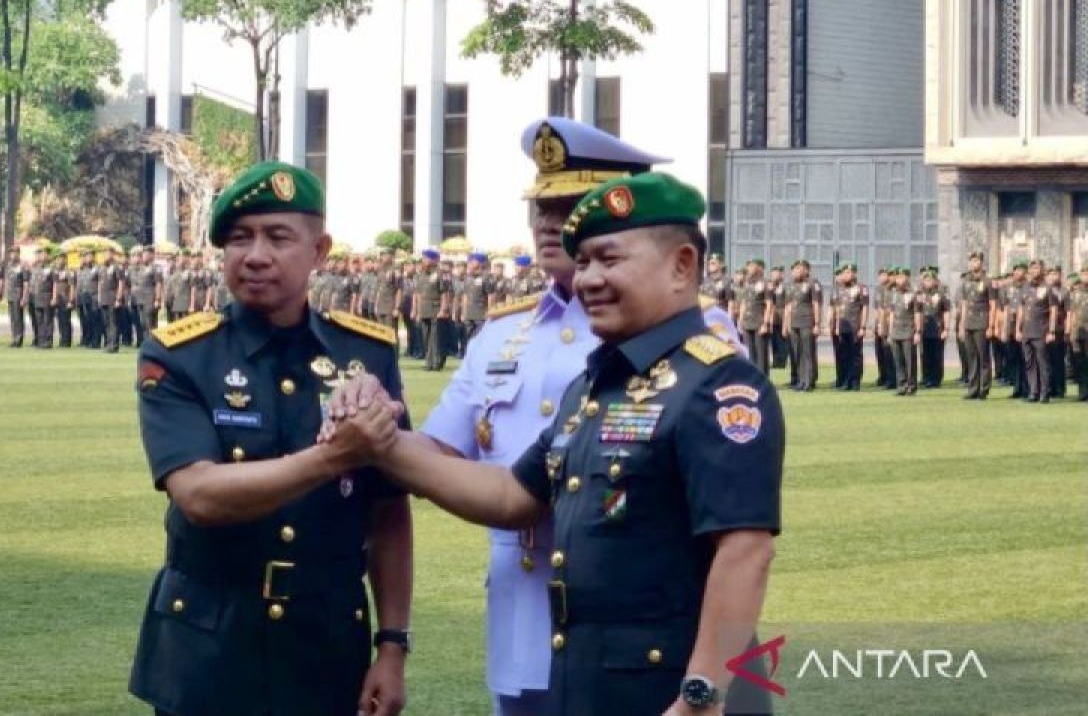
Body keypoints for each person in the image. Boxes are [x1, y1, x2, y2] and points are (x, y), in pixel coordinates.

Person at [324, 171, 782, 716]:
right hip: (588, 681)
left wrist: (701, 697)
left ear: (682, 265)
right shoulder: (593, 388)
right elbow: (511, 497)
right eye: (583, 261)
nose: (588, 279)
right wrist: (381, 443)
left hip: (675, 689)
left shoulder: (718, 385)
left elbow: (744, 549)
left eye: (609, 260)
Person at [128, 161, 412, 716]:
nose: (255, 255)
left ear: (320, 250)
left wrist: (393, 645)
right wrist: (334, 457)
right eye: (239, 238)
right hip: (209, 651)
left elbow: (387, 510)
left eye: (278, 237)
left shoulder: (366, 355)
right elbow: (200, 495)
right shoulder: (180, 354)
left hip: (326, 647)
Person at [1016, 259, 1057, 403]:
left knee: (1042, 363)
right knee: (1029, 363)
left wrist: (1051, 331)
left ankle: (1044, 393)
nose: (1034, 271)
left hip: (1041, 331)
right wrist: (1018, 329)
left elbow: (1053, 310)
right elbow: (1021, 309)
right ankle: (1033, 392)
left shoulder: (1048, 288)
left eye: (1037, 268)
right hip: (1026, 331)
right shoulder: (1025, 288)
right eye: (1032, 268)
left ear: (1042, 270)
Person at [958, 251, 995, 399]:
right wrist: (961, 324)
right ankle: (973, 388)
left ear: (981, 262)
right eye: (972, 261)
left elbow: (992, 305)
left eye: (976, 261)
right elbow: (964, 305)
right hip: (969, 323)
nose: (974, 263)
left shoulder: (987, 281)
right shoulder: (966, 281)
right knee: (971, 357)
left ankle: (984, 389)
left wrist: (991, 326)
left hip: (982, 322)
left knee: (983, 357)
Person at [782, 259, 821, 391]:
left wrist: (817, 323)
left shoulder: (812, 283)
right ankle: (800, 380)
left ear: (806, 270)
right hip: (794, 322)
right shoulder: (790, 285)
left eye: (800, 268)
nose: (796, 271)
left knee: (807, 352)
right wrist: (786, 324)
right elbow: (787, 306)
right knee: (797, 353)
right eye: (795, 269)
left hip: (807, 321)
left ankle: (809, 381)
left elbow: (816, 304)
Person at [829, 262, 868, 391]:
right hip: (843, 327)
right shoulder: (840, 289)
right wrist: (836, 327)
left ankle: (855, 381)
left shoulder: (861, 288)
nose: (846, 275)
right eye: (845, 273)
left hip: (855, 326)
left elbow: (865, 308)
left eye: (849, 273)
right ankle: (846, 381)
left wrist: (863, 327)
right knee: (844, 355)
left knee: (855, 355)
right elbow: (838, 309)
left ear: (854, 274)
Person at [414, 248, 450, 371]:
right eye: (423, 258)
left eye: (426, 258)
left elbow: (444, 293)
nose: (424, 260)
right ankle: (428, 362)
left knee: (435, 338)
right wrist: (418, 311)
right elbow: (418, 294)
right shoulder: (421, 274)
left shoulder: (440, 274)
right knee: (426, 337)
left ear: (433, 259)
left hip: (435, 309)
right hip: (424, 309)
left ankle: (436, 362)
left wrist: (443, 309)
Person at [887, 267, 921, 395]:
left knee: (910, 360)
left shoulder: (914, 293)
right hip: (896, 330)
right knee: (898, 360)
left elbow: (917, 313)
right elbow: (891, 313)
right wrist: (890, 332)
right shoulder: (894, 293)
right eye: (897, 277)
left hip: (908, 330)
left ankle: (911, 385)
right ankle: (901, 385)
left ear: (907, 278)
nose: (899, 280)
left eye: (902, 277)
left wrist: (917, 331)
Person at [736, 259, 773, 375]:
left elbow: (769, 304)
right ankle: (752, 377)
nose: (749, 268)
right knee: (749, 352)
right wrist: (740, 320)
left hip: (759, 322)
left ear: (758, 268)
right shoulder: (747, 283)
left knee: (761, 353)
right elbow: (743, 303)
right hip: (747, 322)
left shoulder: (765, 283)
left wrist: (765, 323)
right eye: (748, 266)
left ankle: (763, 377)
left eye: (752, 266)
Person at [999, 262, 1029, 398]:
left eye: (1022, 270)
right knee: (1013, 359)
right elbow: (1005, 309)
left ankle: (1028, 389)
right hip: (1011, 326)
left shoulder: (1029, 287)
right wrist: (1004, 329)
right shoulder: (1007, 288)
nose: (1019, 273)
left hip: (1026, 327)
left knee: (1026, 359)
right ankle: (1017, 388)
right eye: (1017, 270)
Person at [917, 267, 950, 388]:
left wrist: (946, 329)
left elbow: (946, 311)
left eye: (930, 279)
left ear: (935, 281)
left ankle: (936, 379)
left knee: (937, 355)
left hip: (937, 329)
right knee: (925, 355)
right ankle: (926, 377)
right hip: (924, 329)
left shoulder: (941, 293)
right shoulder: (920, 294)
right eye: (926, 280)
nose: (928, 282)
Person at [131, 246, 164, 345]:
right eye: (143, 254)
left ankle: (153, 345)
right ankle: (147, 343)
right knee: (143, 323)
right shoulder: (140, 268)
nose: (143, 256)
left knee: (151, 324)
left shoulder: (155, 268)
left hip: (150, 299)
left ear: (151, 255)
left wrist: (158, 299)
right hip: (140, 299)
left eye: (145, 254)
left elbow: (158, 284)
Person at [373, 248, 403, 349]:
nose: (383, 257)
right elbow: (378, 289)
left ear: (391, 256)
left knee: (391, 333)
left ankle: (394, 358)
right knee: (381, 334)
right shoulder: (380, 270)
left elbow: (399, 290)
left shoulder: (396, 270)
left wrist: (397, 307)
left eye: (385, 255)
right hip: (381, 305)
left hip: (390, 305)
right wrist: (376, 305)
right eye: (382, 255)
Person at [27, 248, 55, 350]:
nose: (41, 257)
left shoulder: (51, 268)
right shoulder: (35, 269)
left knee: (47, 320)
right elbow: (32, 283)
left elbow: (54, 284)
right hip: (37, 298)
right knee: (39, 320)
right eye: (40, 255)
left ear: (48, 256)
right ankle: (41, 340)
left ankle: (48, 341)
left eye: (43, 254)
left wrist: (54, 297)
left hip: (47, 296)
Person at [1067, 269, 1088, 401]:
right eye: (1084, 274)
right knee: (1080, 363)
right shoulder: (1075, 292)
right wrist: (1069, 331)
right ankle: (1083, 392)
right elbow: (1071, 313)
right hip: (1077, 332)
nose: (1086, 277)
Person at [1047, 266, 1068, 398]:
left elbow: (1068, 313)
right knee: (1047, 360)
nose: (1053, 277)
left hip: (1059, 329)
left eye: (1056, 274)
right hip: (1046, 329)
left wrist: (1067, 330)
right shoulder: (1045, 290)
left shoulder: (1064, 292)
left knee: (1058, 360)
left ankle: (1060, 388)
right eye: (1051, 274)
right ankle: (1050, 387)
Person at [98, 249, 124, 353]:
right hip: (104, 299)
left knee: (113, 322)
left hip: (113, 298)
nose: (106, 255)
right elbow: (100, 283)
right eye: (105, 253)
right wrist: (99, 297)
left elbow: (121, 283)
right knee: (106, 322)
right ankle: (109, 343)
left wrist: (118, 298)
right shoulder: (102, 268)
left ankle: (114, 345)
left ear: (113, 254)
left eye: (108, 253)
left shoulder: (117, 267)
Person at [4, 246, 29, 348]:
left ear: (18, 254)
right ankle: (14, 338)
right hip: (10, 294)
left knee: (18, 318)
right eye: (11, 253)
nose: (12, 255)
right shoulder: (9, 266)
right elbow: (7, 280)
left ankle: (18, 339)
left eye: (14, 253)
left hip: (18, 293)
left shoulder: (23, 266)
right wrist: (5, 293)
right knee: (13, 318)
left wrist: (24, 297)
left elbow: (26, 283)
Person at [76, 249, 100, 348]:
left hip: (94, 297)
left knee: (95, 320)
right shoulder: (83, 270)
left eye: (88, 256)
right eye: (85, 257)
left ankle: (96, 341)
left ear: (93, 257)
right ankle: (89, 340)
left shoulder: (97, 268)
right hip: (85, 298)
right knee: (88, 320)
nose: (86, 258)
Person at [53, 252, 76, 348]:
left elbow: (72, 287)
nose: (59, 261)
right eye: (58, 259)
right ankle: (62, 340)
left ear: (65, 260)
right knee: (60, 321)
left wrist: (71, 300)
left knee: (66, 321)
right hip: (59, 300)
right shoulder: (55, 271)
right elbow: (54, 285)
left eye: (61, 259)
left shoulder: (69, 272)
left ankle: (67, 341)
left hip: (66, 299)